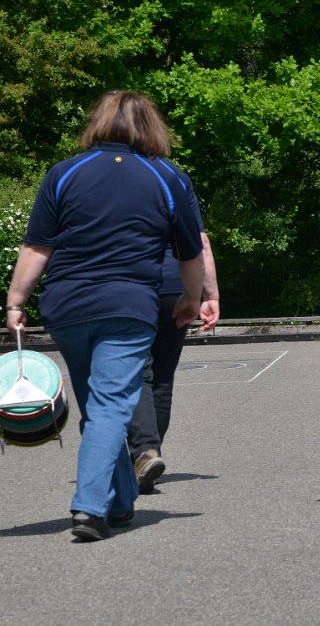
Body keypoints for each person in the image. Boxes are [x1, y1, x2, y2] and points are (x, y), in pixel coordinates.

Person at [5, 90, 204, 541]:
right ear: (151, 127)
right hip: (127, 307)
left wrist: (16, 302)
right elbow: (190, 252)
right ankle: (89, 508)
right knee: (111, 406)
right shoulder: (166, 177)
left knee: (99, 407)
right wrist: (191, 298)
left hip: (66, 307)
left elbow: (37, 246)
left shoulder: (64, 173)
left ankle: (119, 501)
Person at [128, 221, 221, 494]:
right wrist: (209, 294)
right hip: (174, 287)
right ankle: (151, 453)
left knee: (135, 374)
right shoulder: (176, 182)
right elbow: (201, 242)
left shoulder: (107, 180)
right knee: (162, 377)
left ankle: (142, 454)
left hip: (132, 288)